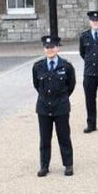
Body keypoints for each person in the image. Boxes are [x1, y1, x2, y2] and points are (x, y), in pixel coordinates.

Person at [32, 35, 76, 177]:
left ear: (57, 48)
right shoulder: (38, 66)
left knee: (64, 137)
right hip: (44, 107)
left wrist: (61, 98)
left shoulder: (66, 66)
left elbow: (71, 85)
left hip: (61, 107)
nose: (49, 50)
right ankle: (44, 166)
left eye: (52, 47)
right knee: (45, 138)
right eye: (47, 47)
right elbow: (37, 85)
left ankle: (68, 165)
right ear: (44, 49)